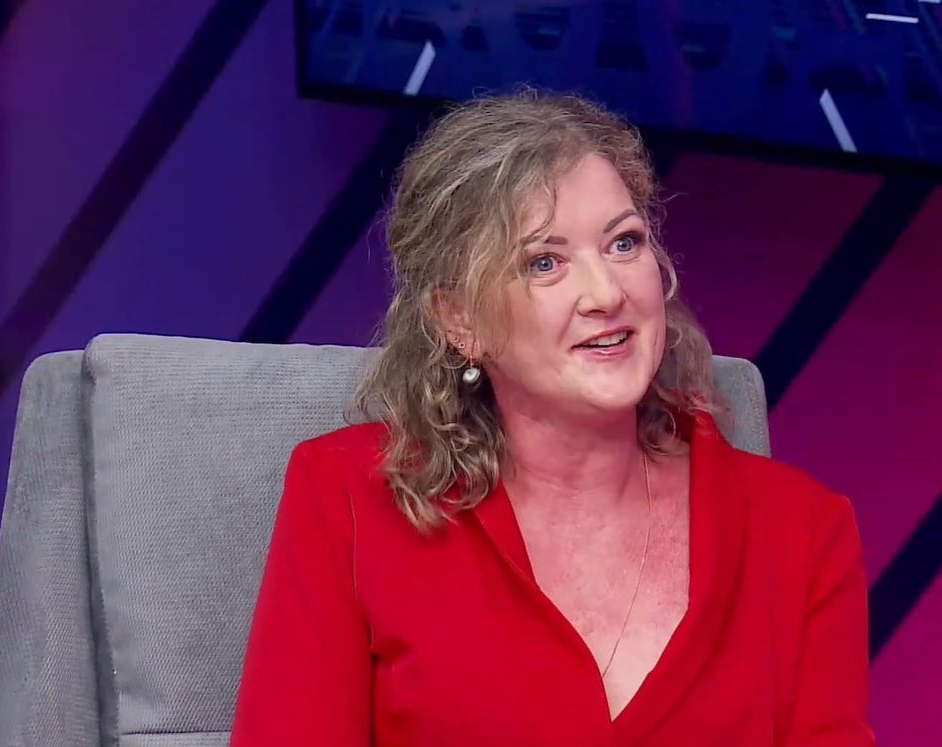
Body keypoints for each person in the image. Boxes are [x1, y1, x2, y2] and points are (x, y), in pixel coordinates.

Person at [229, 90, 874, 745]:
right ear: (460, 319)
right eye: (545, 262)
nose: (607, 293)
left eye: (624, 243)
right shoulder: (347, 499)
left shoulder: (804, 533)